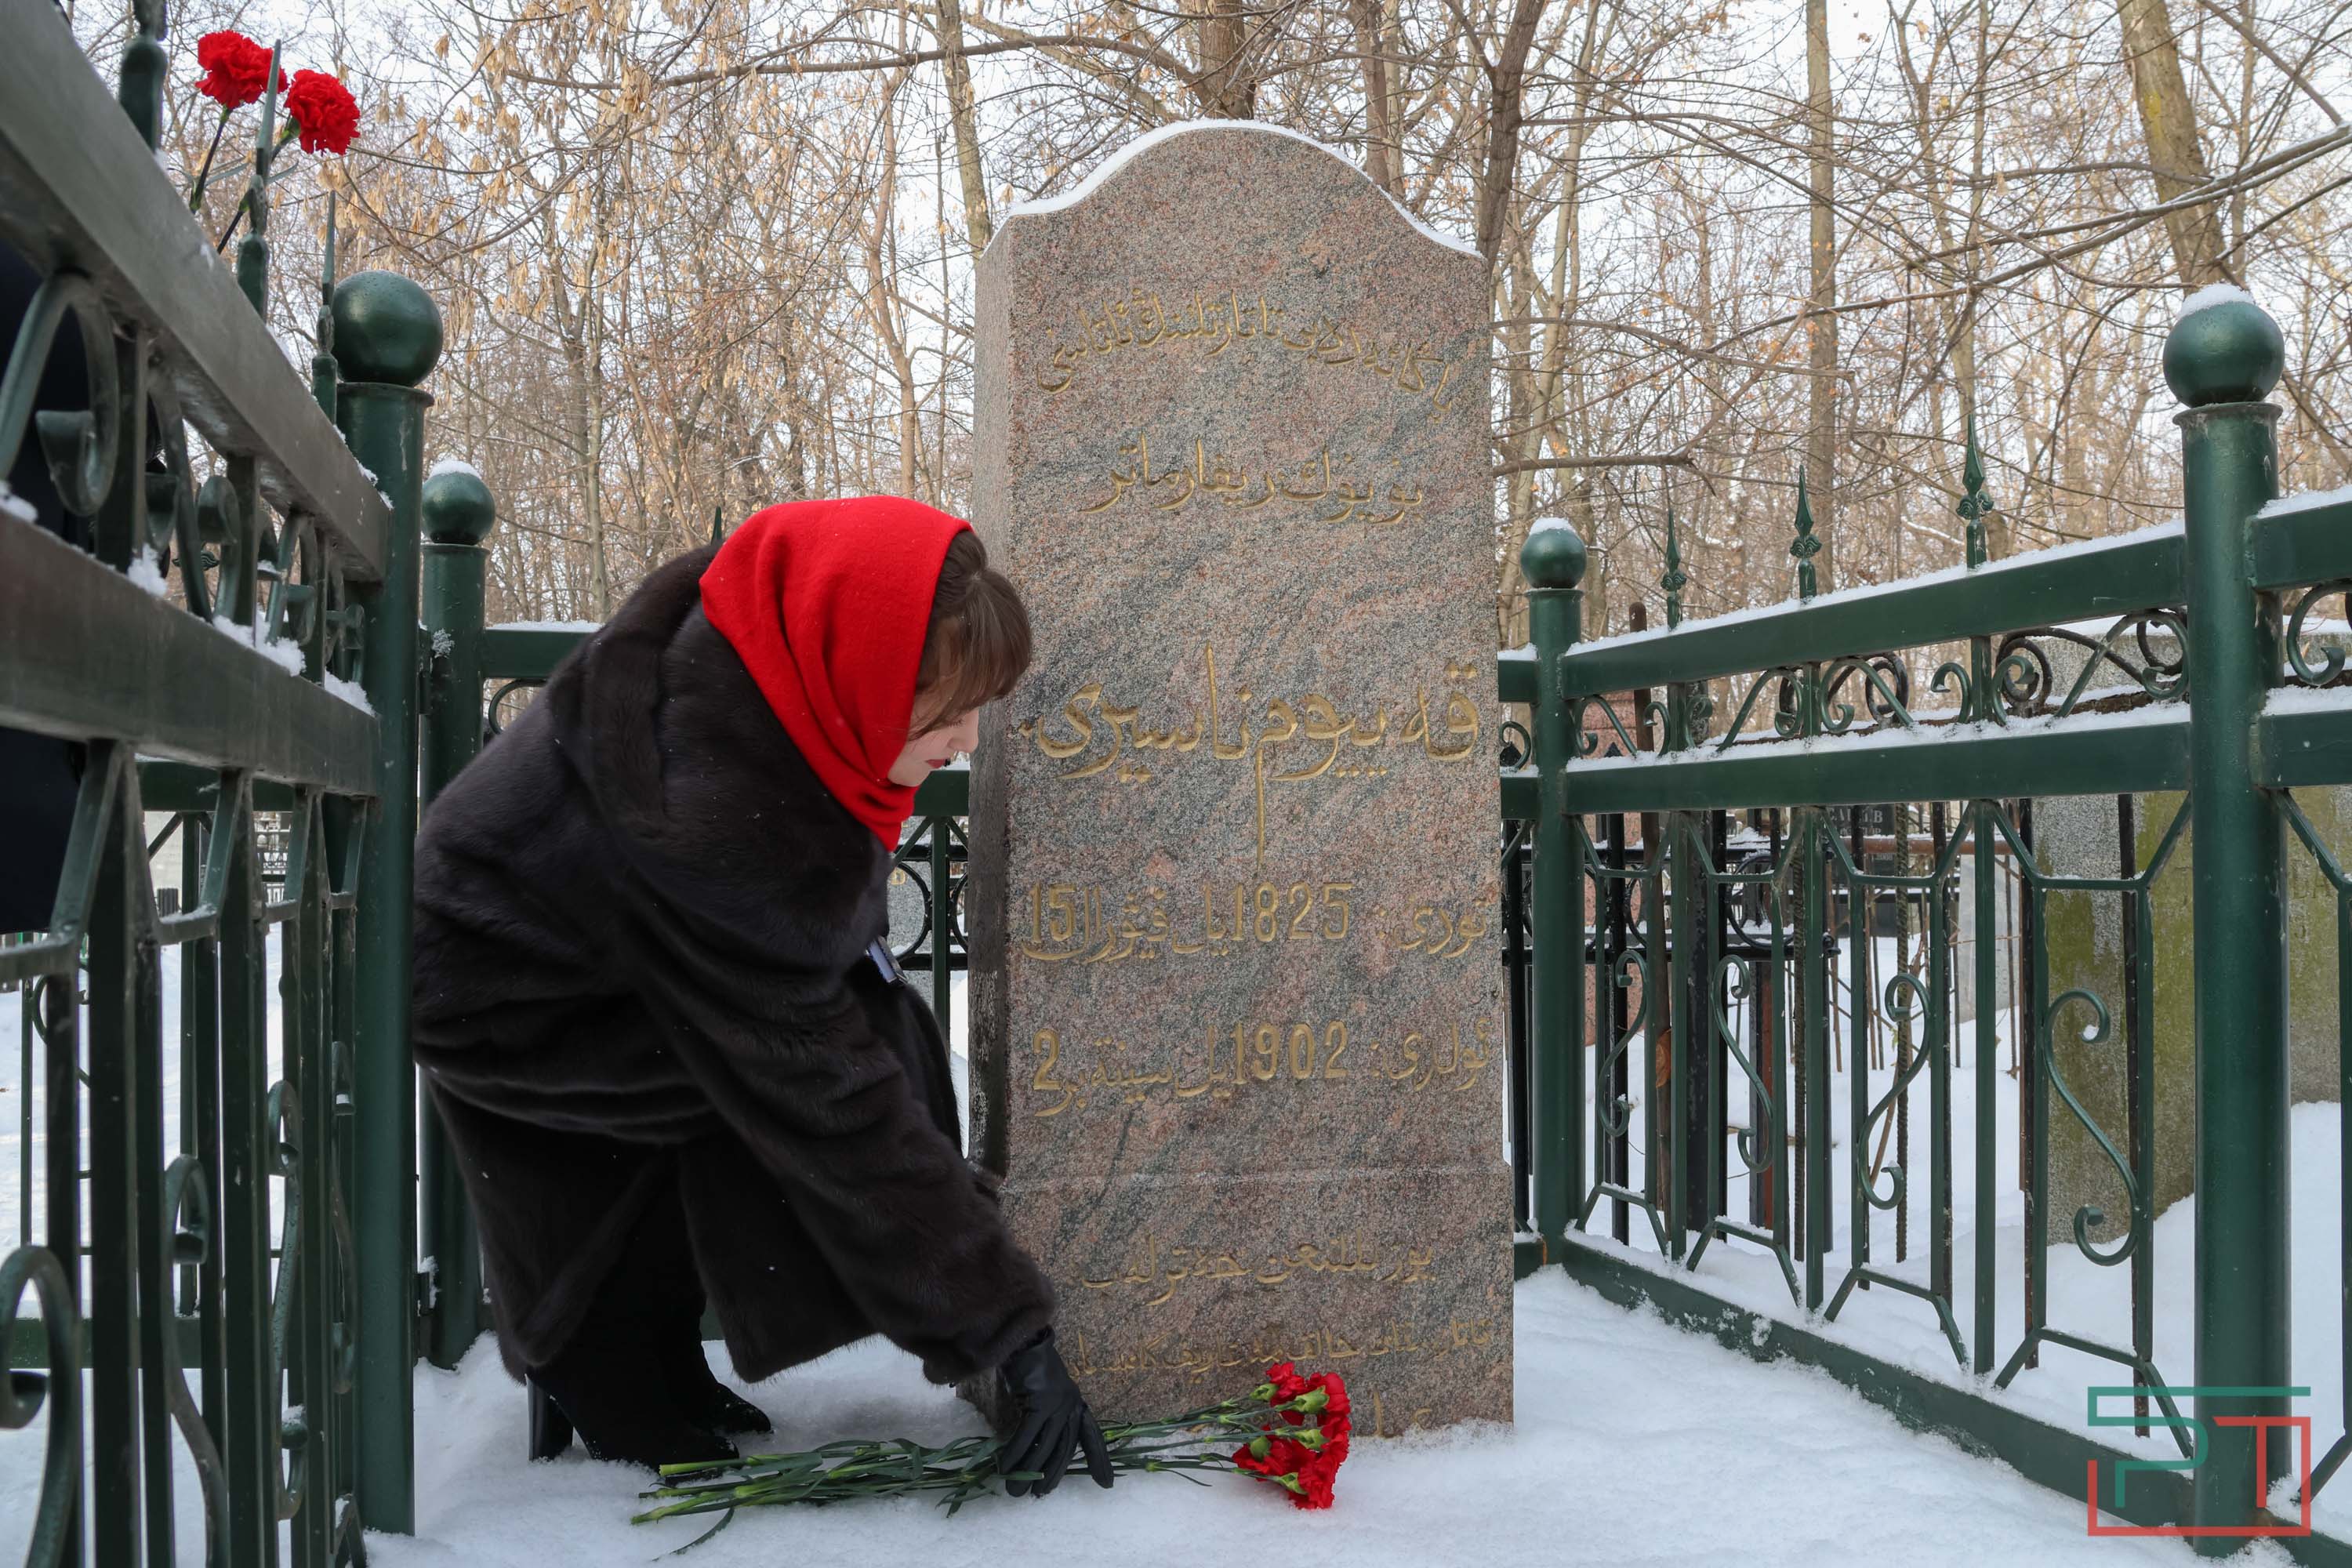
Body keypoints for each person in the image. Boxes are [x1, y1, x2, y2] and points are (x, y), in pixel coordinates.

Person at [410, 495, 1113, 1497]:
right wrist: (1012, 1332)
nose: (967, 734)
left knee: (849, 1037)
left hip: (574, 932)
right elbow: (839, 1110)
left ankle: (651, 1347)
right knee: (780, 1090)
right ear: (863, 678)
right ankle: (592, 1358)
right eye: (947, 704)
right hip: (506, 988)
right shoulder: (728, 820)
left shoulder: (775, 658)